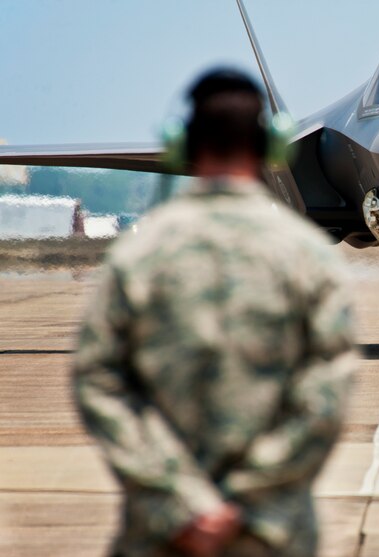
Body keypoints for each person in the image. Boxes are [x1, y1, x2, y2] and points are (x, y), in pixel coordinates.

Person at [72, 68, 357, 557]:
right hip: (270, 537)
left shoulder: (140, 255)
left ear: (183, 145)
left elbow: (99, 381)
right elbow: (325, 396)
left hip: (163, 537)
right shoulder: (309, 257)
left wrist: (185, 506)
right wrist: (244, 502)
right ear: (273, 147)